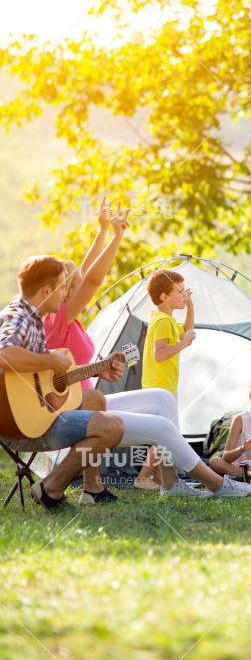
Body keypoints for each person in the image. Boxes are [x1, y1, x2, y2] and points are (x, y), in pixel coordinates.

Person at [0, 255, 251, 511]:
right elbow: (5, 354)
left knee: (139, 399)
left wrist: (91, 371)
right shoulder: (19, 316)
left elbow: (43, 379)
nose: (66, 295)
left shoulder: (33, 318)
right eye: (63, 288)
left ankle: (169, 482)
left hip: (41, 409)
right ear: (48, 289)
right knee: (143, 426)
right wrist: (50, 361)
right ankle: (217, 484)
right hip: (29, 423)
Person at [42, 198, 130, 502]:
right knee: (97, 403)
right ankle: (88, 486)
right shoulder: (61, 316)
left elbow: (85, 273)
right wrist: (117, 237)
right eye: (74, 287)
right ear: (66, 290)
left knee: (96, 399)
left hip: (78, 393)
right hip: (63, 399)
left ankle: (92, 487)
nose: (83, 294)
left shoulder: (66, 318)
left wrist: (102, 232)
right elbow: (92, 278)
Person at [133, 267, 196, 491]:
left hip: (165, 387)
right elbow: (158, 354)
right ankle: (143, 478)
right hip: (160, 389)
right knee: (166, 436)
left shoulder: (166, 320)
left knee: (164, 435)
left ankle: (160, 480)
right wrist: (183, 344)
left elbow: (187, 330)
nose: (184, 295)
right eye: (179, 292)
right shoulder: (161, 322)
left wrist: (190, 306)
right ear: (164, 297)